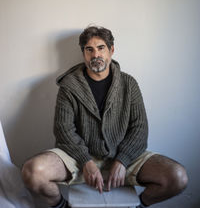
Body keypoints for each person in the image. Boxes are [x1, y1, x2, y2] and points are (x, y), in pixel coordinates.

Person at [22, 26, 188, 208]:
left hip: (123, 156)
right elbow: (63, 129)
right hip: (78, 158)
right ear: (83, 53)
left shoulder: (129, 84)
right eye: (89, 49)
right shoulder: (69, 86)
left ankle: (138, 206)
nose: (96, 55)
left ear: (111, 50)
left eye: (101, 48)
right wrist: (86, 161)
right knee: (33, 172)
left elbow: (139, 128)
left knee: (177, 177)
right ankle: (63, 207)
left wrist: (122, 160)